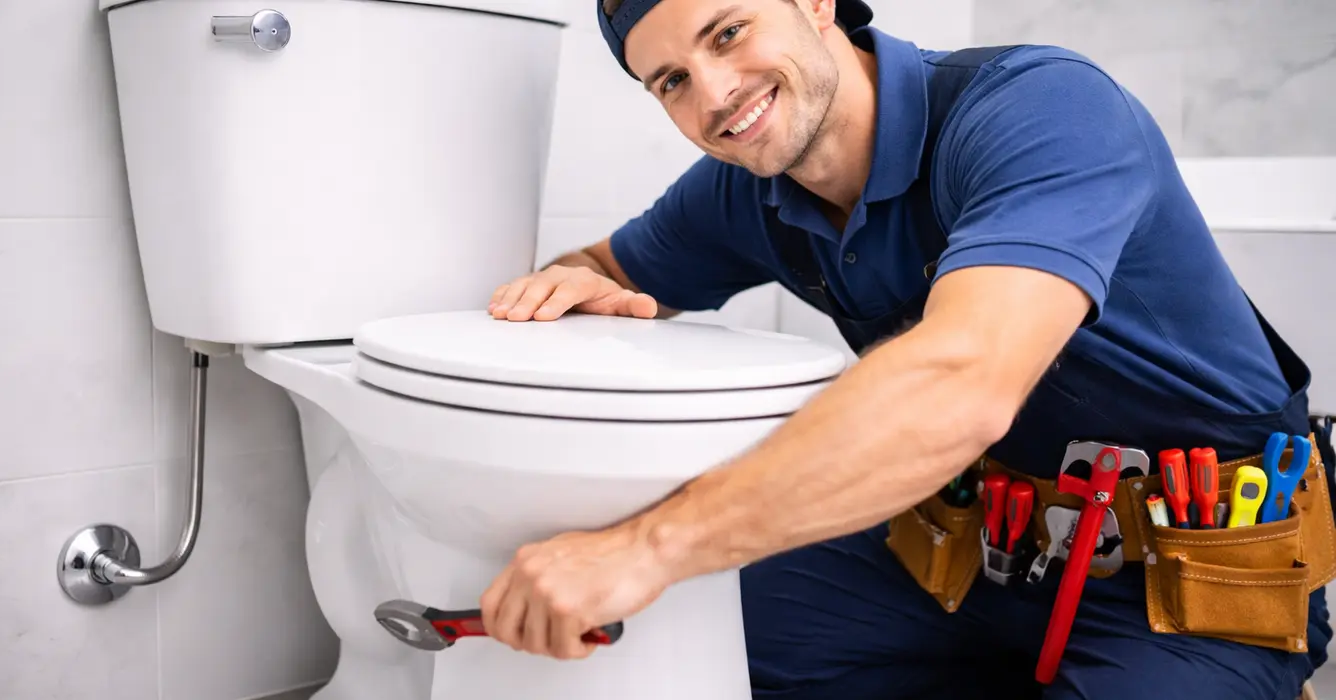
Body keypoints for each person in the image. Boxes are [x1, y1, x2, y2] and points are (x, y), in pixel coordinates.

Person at [476, 0, 1333, 697]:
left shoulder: (1040, 107)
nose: (712, 95)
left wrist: (644, 548)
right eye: (671, 80)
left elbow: (961, 382)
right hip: (968, 553)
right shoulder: (749, 190)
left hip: (1189, 584)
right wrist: (578, 285)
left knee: (670, 582)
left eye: (728, 33)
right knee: (688, 641)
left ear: (815, 4)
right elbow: (597, 266)